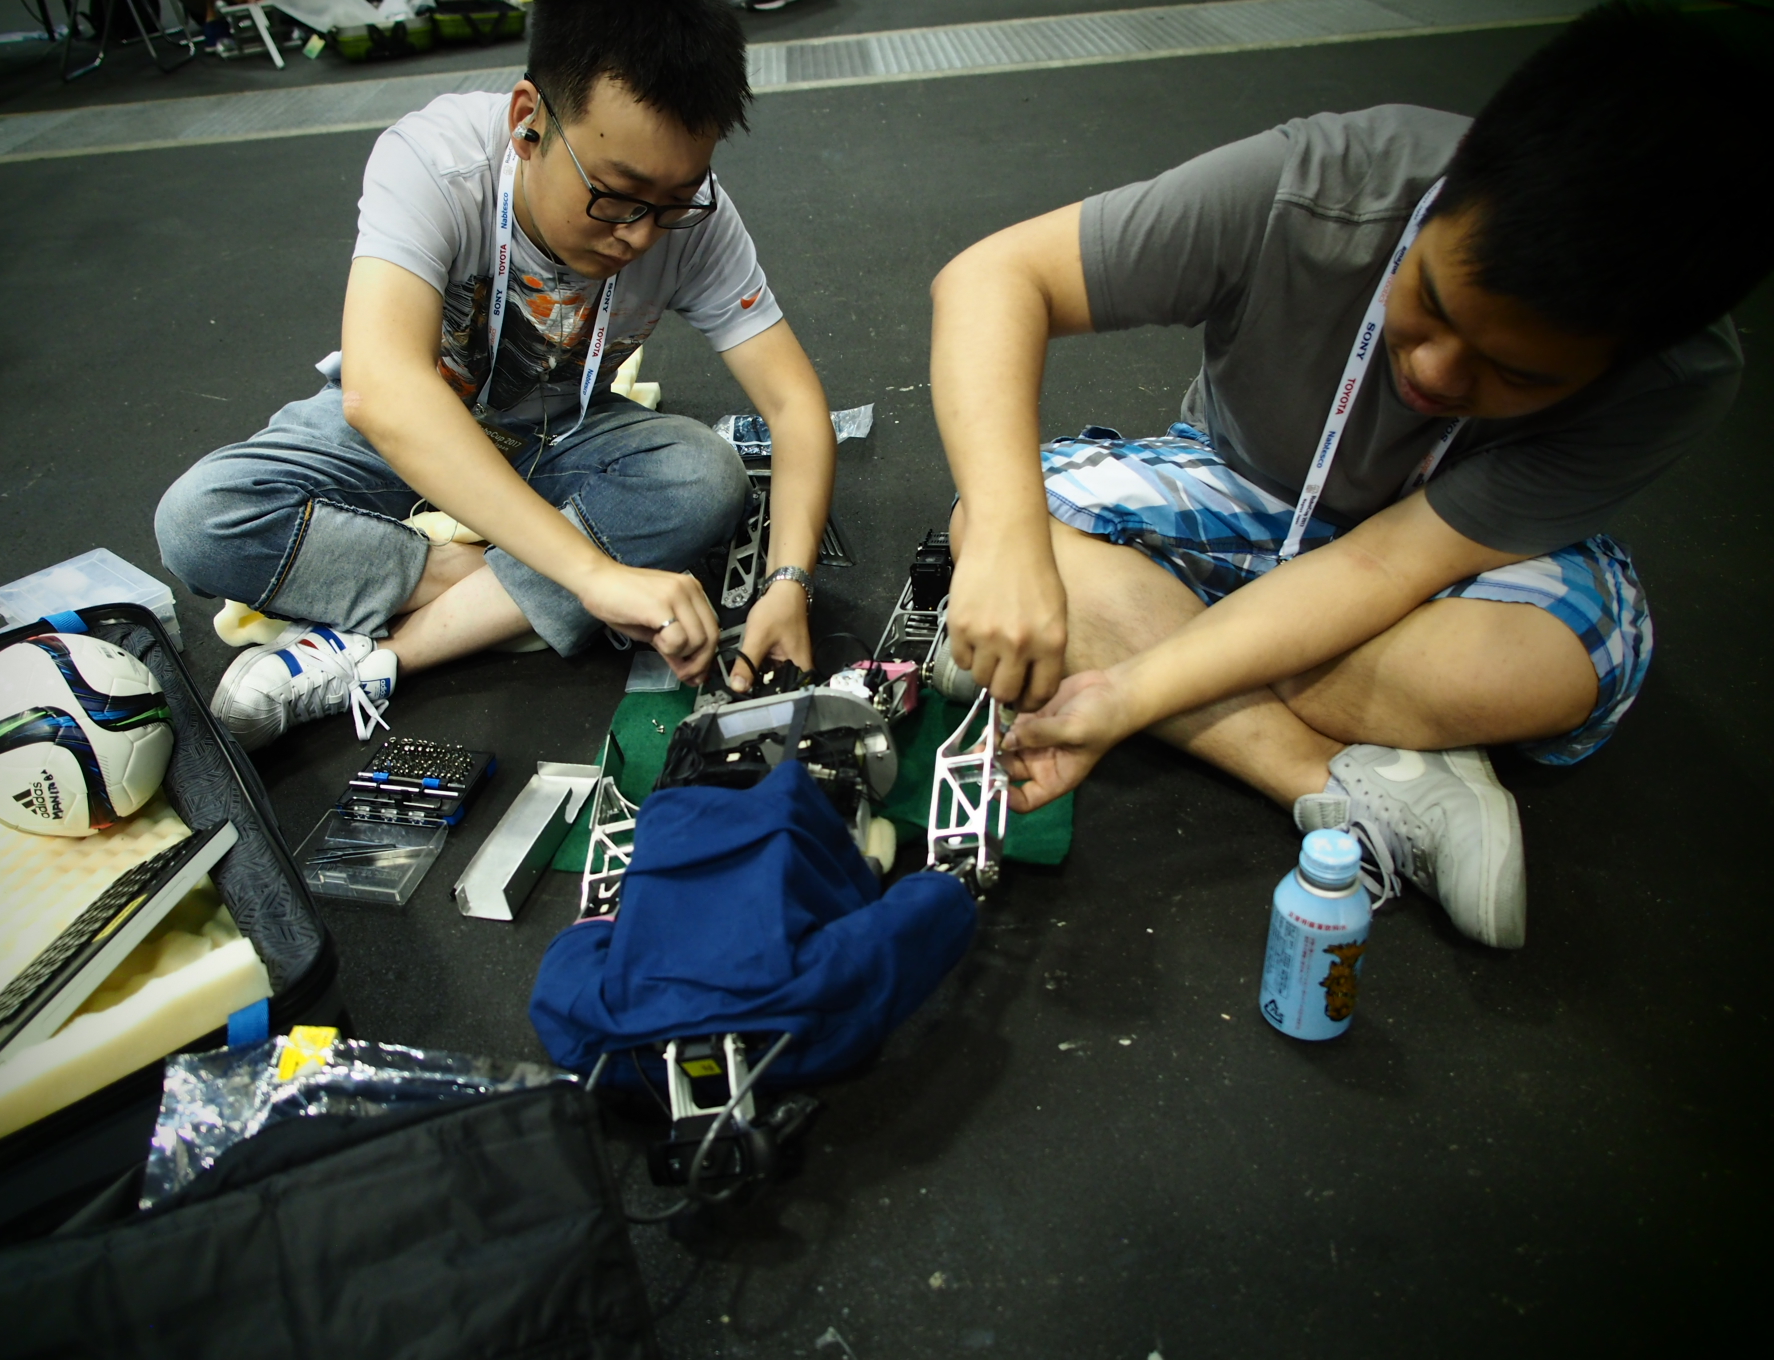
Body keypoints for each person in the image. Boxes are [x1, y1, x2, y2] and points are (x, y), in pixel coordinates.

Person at [929, 1, 1771, 949]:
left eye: (1517, 373)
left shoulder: (1678, 375)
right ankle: (1343, 783)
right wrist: (1009, 544)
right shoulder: (1321, 183)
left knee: (1544, 662)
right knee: (997, 522)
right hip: (1245, 486)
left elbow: (1384, 565)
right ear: (1452, 188)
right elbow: (995, 276)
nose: (1436, 373)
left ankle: (1134, 645)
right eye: (1431, 301)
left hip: (1446, 561)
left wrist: (1128, 689)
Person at [156, 0, 837, 749]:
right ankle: (493, 590)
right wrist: (589, 573)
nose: (641, 234)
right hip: (409, 425)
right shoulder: (436, 161)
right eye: (615, 194)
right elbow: (383, 390)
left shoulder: (698, 220)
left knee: (704, 477)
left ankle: (382, 657)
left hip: (561, 431)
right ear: (527, 121)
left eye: (674, 202)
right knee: (201, 520)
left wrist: (788, 583)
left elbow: (794, 404)